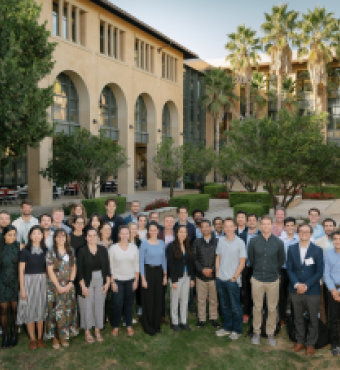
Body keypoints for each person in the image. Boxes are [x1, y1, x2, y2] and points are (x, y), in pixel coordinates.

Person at [248, 216, 285, 347]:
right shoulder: (253, 241)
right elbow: (252, 259)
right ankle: (256, 332)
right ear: (260, 225)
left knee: (272, 308)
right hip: (257, 279)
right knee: (257, 307)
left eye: (268, 224)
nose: (265, 226)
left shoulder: (279, 242)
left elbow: (281, 260)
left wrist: (273, 270)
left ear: (271, 225)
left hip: (272, 280)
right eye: (263, 224)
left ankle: (270, 333)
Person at [287, 223, 323, 356]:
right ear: (297, 233)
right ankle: (300, 341)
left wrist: (306, 285)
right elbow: (289, 269)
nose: (304, 234)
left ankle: (310, 344)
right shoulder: (291, 249)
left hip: (312, 290)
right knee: (298, 317)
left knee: (313, 318)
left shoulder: (317, 250)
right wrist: (297, 284)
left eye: (306, 232)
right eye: (301, 231)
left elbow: (319, 272)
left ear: (311, 234)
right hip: (295, 290)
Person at [45, 229, 78, 349]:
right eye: (58, 236)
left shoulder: (71, 251)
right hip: (55, 287)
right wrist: (58, 286)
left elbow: (74, 267)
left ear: (66, 237)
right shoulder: (50, 252)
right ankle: (55, 337)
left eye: (63, 236)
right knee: (55, 311)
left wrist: (70, 282)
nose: (60, 238)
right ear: (54, 238)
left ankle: (64, 336)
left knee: (67, 310)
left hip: (68, 286)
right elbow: (49, 270)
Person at [76, 228, 111, 343]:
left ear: (97, 236)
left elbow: (107, 267)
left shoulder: (103, 249)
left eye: (94, 235)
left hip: (100, 279)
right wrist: (83, 286)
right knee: (87, 304)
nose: (92, 238)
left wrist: (107, 283)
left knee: (99, 304)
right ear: (86, 237)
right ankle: (87, 331)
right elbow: (79, 270)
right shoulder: (81, 251)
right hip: (86, 280)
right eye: (89, 236)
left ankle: (97, 330)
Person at [17, 225, 47, 350]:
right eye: (34, 233)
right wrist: (22, 289)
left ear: (42, 235)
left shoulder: (47, 250)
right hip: (29, 282)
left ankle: (40, 337)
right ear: (30, 236)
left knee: (40, 308)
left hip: (43, 282)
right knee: (29, 309)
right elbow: (21, 271)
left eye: (39, 233)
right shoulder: (24, 251)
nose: (36, 236)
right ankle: (32, 339)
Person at [215, 218, 246, 340]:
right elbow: (218, 257)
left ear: (235, 227)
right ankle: (227, 328)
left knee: (235, 307)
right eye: (226, 226)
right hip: (220, 279)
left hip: (232, 281)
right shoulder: (221, 241)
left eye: (230, 226)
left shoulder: (240, 242)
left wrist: (234, 277)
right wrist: (217, 273)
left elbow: (242, 262)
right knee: (225, 306)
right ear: (223, 227)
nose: (228, 228)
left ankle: (236, 330)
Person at [109, 226, 139, 337]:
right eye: (122, 233)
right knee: (117, 304)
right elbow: (110, 267)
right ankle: (115, 326)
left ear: (130, 235)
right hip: (117, 280)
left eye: (127, 233)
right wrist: (112, 282)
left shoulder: (134, 248)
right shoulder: (113, 248)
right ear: (119, 234)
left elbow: (136, 265)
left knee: (129, 304)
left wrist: (136, 280)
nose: (124, 236)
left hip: (131, 279)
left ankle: (129, 325)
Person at [139, 222, 167, 336]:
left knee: (158, 299)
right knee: (148, 300)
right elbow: (140, 261)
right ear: (148, 231)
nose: (153, 231)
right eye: (151, 229)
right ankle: (148, 326)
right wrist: (143, 279)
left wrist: (165, 275)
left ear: (158, 231)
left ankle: (156, 325)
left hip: (159, 272)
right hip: (148, 272)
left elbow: (164, 259)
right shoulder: (144, 244)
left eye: (155, 229)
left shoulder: (161, 243)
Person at [192, 219, 219, 328]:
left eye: (207, 226)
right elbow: (194, 258)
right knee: (201, 299)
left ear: (211, 228)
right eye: (203, 227)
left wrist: (212, 269)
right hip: (200, 276)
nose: (205, 229)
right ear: (200, 229)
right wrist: (202, 269)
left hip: (213, 276)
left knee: (214, 299)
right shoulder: (197, 242)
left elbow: (219, 257)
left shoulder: (217, 241)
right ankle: (202, 319)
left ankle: (213, 318)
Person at [167, 225, 195, 332]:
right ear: (177, 233)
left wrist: (192, 278)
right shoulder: (171, 246)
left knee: (185, 300)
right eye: (181, 232)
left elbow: (190, 263)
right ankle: (175, 321)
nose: (183, 234)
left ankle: (183, 321)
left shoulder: (188, 245)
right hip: (177, 277)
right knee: (175, 299)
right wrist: (173, 280)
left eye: (185, 232)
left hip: (187, 276)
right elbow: (171, 264)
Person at [0, 226, 20, 348]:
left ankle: (14, 334)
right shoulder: (0, 248)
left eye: (14, 234)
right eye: (9, 234)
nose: (12, 237)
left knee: (15, 310)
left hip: (15, 282)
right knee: (3, 311)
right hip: (2, 282)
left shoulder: (19, 246)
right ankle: (5, 336)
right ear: (4, 235)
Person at [315, 218, 336, 325]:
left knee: (334, 304)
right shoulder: (318, 242)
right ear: (323, 228)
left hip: (336, 279)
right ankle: (324, 325)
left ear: (334, 227)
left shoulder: (338, 241)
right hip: (322, 278)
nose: (328, 228)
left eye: (330, 225)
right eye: (326, 226)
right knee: (322, 303)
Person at [241, 213, 261, 323]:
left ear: (257, 222)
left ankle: (257, 313)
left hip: (257, 269)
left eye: (254, 220)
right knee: (246, 291)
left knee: (257, 292)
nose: (252, 222)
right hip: (245, 267)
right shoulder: (242, 235)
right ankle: (246, 313)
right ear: (247, 222)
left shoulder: (261, 235)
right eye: (250, 220)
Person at [279, 217, 299, 326]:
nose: (290, 227)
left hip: (295, 271)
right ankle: (282, 317)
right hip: (283, 270)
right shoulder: (280, 239)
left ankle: (293, 318)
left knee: (294, 295)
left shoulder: (299, 238)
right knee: (282, 295)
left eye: (292, 225)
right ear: (284, 227)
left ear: (295, 226)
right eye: (288, 225)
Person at [324, 231, 340, 356]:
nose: (337, 241)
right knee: (333, 318)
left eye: (339, 239)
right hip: (332, 290)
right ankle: (335, 343)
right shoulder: (328, 254)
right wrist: (334, 290)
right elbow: (326, 273)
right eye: (335, 239)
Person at [158, 215, 175, 323]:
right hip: (161, 267)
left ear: (174, 223)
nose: (169, 223)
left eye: (171, 221)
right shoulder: (159, 235)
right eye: (167, 221)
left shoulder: (177, 235)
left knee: (174, 291)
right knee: (161, 292)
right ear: (163, 222)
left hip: (173, 267)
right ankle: (161, 314)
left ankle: (175, 314)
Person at [128, 223, 142, 316]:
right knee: (129, 291)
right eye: (131, 229)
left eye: (135, 229)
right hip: (127, 269)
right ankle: (128, 310)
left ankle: (140, 306)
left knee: (139, 289)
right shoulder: (124, 241)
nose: (133, 230)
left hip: (137, 268)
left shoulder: (139, 241)